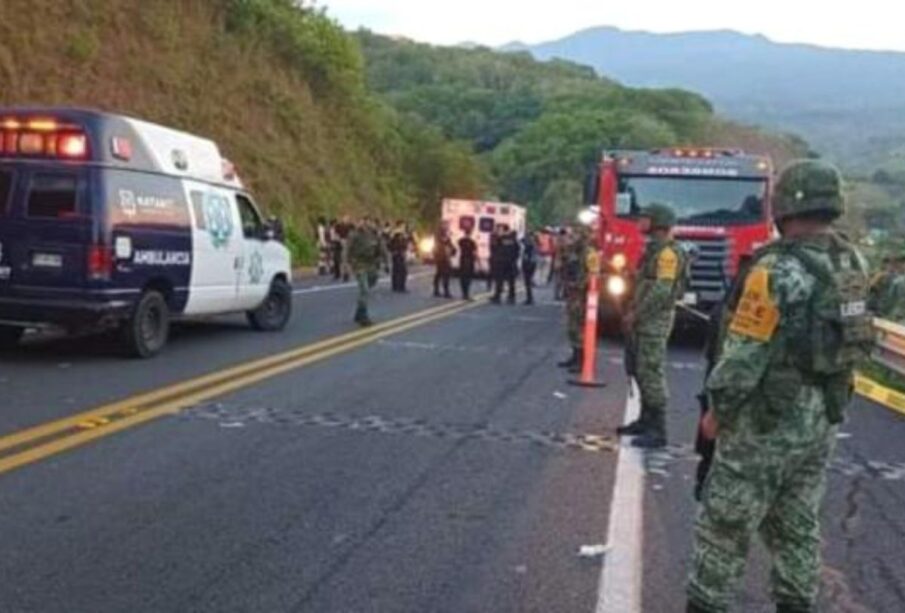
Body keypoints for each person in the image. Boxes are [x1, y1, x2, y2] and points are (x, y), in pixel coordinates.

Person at [687, 160, 873, 613]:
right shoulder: (852, 260)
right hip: (822, 417)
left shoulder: (775, 270)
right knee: (797, 523)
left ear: (785, 205)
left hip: (765, 422)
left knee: (724, 527)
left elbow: (744, 358)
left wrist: (715, 415)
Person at [617, 203, 687, 449]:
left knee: (651, 372)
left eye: (645, 217)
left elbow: (661, 290)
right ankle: (645, 420)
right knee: (639, 368)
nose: (640, 221)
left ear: (657, 222)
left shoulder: (667, 254)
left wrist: (636, 313)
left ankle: (658, 430)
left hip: (653, 321)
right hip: (644, 320)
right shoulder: (655, 251)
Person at [557, 226, 590, 372]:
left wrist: (579, 285)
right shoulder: (573, 252)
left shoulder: (589, 253)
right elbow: (563, 265)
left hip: (582, 295)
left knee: (579, 327)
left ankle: (581, 359)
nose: (573, 239)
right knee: (572, 326)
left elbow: (593, 275)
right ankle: (575, 355)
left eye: (576, 235)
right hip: (572, 293)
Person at [347, 219, 385, 326]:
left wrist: (385, 262)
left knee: (372, 281)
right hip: (359, 264)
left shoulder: (375, 235)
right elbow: (346, 250)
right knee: (364, 289)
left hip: (371, 264)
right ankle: (363, 315)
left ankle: (359, 311)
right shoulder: (355, 235)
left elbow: (382, 248)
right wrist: (346, 265)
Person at [492, 227, 520, 305]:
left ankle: (497, 296)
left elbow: (495, 248)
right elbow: (517, 251)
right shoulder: (514, 241)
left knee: (499, 280)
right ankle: (511, 297)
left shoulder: (501, 239)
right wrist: (514, 259)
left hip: (501, 261)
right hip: (511, 262)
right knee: (511, 281)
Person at [433, 223, 456, 298]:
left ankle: (439, 290)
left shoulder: (445, 236)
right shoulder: (439, 235)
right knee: (444, 274)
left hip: (444, 257)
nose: (447, 227)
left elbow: (450, 245)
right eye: (446, 226)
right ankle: (443, 291)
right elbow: (444, 242)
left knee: (441, 273)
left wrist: (453, 250)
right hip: (441, 257)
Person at [388, 221, 410, 293]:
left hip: (400, 253)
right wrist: (394, 251)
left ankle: (397, 286)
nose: (403, 227)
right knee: (400, 271)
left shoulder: (402, 235)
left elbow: (405, 243)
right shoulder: (396, 234)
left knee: (398, 270)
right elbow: (391, 244)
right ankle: (399, 286)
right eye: (402, 226)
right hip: (397, 254)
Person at [458, 227, 478, 300]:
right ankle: (466, 294)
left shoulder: (461, 240)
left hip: (462, 260)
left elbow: (459, 247)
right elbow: (474, 253)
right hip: (469, 260)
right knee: (468, 278)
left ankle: (463, 293)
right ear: (470, 233)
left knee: (462, 277)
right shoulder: (472, 242)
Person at [521, 231, 539, 305]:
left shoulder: (529, 245)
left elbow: (522, 241)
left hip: (528, 263)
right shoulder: (534, 244)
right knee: (528, 281)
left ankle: (529, 298)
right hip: (533, 263)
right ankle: (529, 298)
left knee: (527, 281)